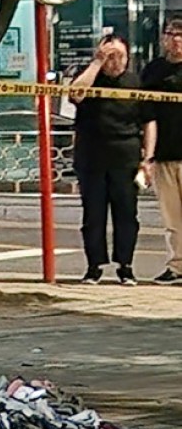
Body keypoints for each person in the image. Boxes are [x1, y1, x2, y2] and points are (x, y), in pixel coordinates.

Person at [68, 34, 145, 286]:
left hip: (126, 157)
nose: (115, 62)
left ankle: (126, 266)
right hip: (91, 157)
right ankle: (94, 266)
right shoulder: (89, 77)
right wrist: (96, 64)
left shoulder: (135, 82)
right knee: (93, 215)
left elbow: (148, 120)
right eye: (110, 56)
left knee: (126, 215)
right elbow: (76, 94)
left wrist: (149, 157)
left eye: (120, 56)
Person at [141, 16, 182, 285]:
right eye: (172, 34)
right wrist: (148, 156)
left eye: (181, 34)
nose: (177, 40)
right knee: (172, 217)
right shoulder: (154, 70)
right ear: (163, 38)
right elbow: (147, 115)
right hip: (165, 154)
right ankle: (177, 266)